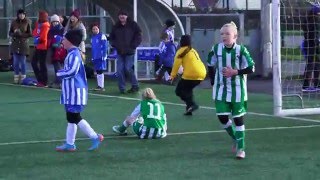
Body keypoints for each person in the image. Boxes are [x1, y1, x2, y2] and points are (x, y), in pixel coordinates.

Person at [207, 22, 255, 159]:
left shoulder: (241, 50)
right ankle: (235, 137)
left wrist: (235, 72)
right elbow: (210, 63)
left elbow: (251, 68)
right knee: (222, 117)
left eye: (227, 33)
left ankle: (241, 148)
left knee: (238, 119)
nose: (224, 36)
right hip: (221, 89)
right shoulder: (216, 49)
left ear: (235, 36)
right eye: (222, 33)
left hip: (238, 91)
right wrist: (212, 81)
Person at [55, 29, 104, 152]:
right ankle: (70, 144)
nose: (63, 41)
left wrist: (59, 73)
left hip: (75, 92)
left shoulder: (74, 54)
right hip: (71, 92)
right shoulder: (72, 53)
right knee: (71, 118)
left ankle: (94, 136)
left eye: (65, 39)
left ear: (70, 41)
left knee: (74, 117)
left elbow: (73, 71)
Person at [170, 35, 206, 116]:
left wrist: (172, 76)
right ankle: (189, 109)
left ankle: (192, 104)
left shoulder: (181, 51)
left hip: (191, 74)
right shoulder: (192, 50)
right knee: (188, 89)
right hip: (202, 73)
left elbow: (176, 64)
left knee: (179, 91)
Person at [109, 10, 142, 94]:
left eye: (124, 15)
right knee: (119, 70)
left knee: (128, 68)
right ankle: (122, 88)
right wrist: (114, 45)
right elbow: (111, 37)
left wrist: (134, 45)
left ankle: (135, 85)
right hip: (120, 52)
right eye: (120, 15)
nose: (122, 16)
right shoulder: (116, 26)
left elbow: (139, 35)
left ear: (127, 16)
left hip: (130, 51)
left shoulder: (133, 25)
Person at [9, 9, 32, 84]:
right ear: (18, 15)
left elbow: (30, 34)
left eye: (23, 14)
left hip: (23, 44)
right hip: (15, 44)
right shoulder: (14, 22)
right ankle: (16, 76)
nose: (21, 15)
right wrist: (14, 33)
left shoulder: (27, 22)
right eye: (20, 14)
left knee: (22, 62)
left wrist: (21, 35)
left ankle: (23, 77)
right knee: (15, 62)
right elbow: (10, 32)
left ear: (25, 15)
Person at [302, 4, 320, 92]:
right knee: (311, 65)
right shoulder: (313, 21)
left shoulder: (308, 21)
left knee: (315, 65)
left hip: (309, 44)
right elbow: (313, 35)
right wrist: (317, 42)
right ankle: (306, 86)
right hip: (312, 45)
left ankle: (315, 84)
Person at [31, 10, 50, 87]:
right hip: (38, 46)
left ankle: (44, 81)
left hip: (43, 47)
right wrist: (36, 37)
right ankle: (40, 79)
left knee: (42, 64)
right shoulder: (38, 24)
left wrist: (38, 39)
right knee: (34, 62)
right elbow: (34, 32)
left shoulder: (45, 25)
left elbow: (44, 37)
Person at [47, 14, 66, 88]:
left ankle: (60, 81)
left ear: (58, 22)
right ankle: (58, 80)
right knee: (56, 66)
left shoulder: (61, 29)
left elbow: (63, 39)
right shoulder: (51, 30)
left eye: (56, 22)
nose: (55, 23)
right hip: (53, 49)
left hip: (59, 50)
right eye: (53, 22)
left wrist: (59, 43)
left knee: (58, 66)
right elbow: (49, 39)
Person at [90, 23, 108, 91]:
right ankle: (99, 85)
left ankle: (101, 86)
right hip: (95, 57)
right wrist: (92, 56)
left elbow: (105, 46)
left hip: (100, 56)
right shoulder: (92, 38)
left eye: (96, 29)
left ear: (99, 29)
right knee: (97, 71)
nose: (95, 30)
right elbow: (93, 48)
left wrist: (104, 55)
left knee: (100, 71)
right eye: (93, 29)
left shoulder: (102, 36)